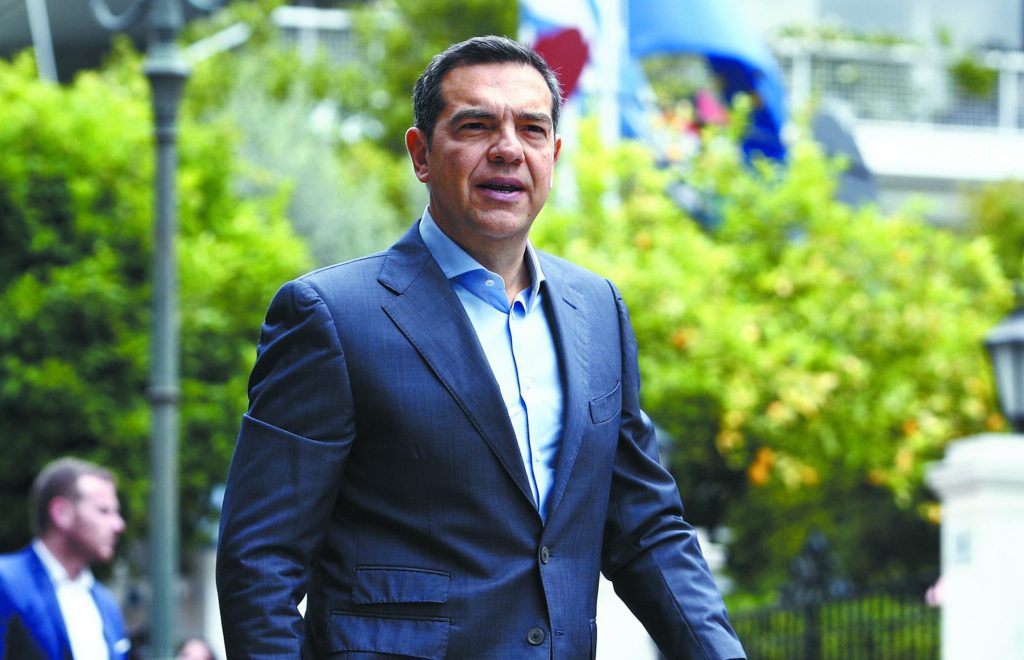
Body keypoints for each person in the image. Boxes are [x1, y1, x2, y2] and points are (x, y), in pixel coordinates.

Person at [216, 35, 745, 659]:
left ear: (553, 153)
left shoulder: (598, 310)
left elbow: (645, 528)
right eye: (476, 126)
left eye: (532, 129)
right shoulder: (331, 316)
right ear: (421, 154)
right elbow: (260, 562)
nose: (508, 149)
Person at [0, 457, 130, 659]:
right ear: (61, 513)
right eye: (104, 511)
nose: (119, 525)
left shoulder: (107, 603)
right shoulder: (7, 581)